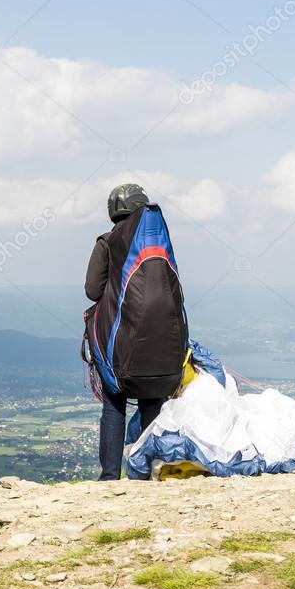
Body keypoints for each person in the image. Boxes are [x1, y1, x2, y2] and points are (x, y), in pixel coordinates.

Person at [84, 184, 186, 480]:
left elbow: (92, 291)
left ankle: (110, 476)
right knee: (152, 403)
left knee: (114, 405)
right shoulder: (161, 245)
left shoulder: (107, 242)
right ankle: (149, 471)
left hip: (122, 350)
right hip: (165, 349)